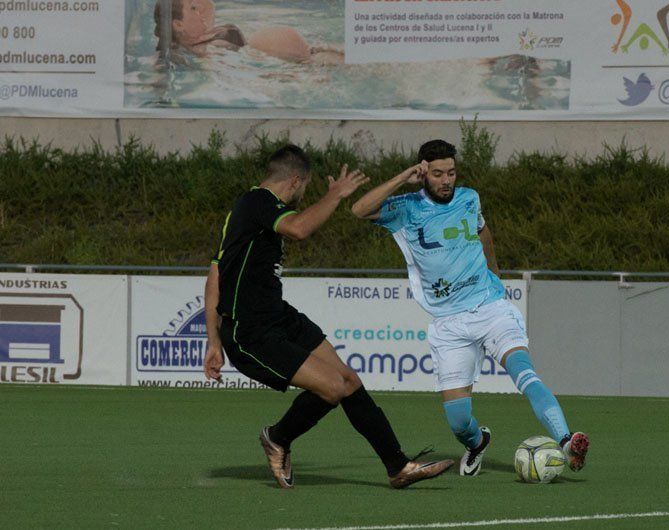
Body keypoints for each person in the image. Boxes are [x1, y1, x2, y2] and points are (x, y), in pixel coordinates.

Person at [203, 144, 453, 489]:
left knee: (348, 381)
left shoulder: (246, 212)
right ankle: (277, 437)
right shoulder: (257, 201)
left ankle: (397, 466)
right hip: (251, 330)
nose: (304, 194)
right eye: (305, 187)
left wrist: (211, 341)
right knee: (332, 388)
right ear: (295, 181)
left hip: (278, 316)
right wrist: (334, 196)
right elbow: (300, 229)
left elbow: (214, 274)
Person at [351, 140, 590, 477]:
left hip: (490, 306)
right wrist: (403, 177)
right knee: (459, 420)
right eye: (437, 173)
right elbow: (358, 210)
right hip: (448, 323)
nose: (446, 179)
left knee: (524, 372)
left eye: (450, 172)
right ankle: (477, 442)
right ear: (423, 173)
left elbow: (483, 232)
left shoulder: (469, 197)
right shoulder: (405, 208)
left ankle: (566, 441)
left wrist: (494, 273)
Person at [154, 0, 344, 63]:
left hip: (303, 53)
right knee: (356, 64)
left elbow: (208, 5)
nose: (198, 8)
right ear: (178, 25)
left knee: (349, 56)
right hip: (292, 64)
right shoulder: (197, 50)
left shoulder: (204, 33)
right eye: (192, 9)